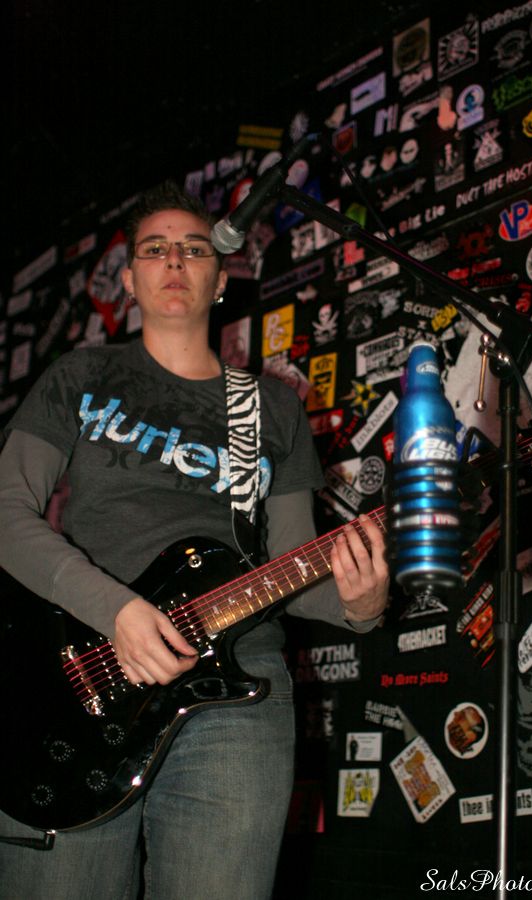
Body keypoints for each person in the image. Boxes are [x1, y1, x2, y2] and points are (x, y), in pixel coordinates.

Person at [0, 181, 389, 900]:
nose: (175, 260)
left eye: (194, 249)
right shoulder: (81, 375)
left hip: (237, 691)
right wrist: (116, 610)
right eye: (155, 249)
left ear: (220, 278)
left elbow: (292, 570)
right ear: (128, 280)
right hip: (81, 675)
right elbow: (6, 516)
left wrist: (360, 605)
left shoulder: (272, 407)